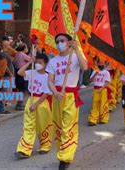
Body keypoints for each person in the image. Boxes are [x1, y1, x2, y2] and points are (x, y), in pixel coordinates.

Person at [46, 33, 88, 169]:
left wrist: (77, 49)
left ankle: (64, 158)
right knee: (58, 127)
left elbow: (85, 67)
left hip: (70, 96)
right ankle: (63, 152)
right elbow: (50, 81)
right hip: (58, 96)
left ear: (69, 42)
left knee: (68, 127)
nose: (59, 43)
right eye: (57, 41)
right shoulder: (53, 61)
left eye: (62, 41)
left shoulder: (75, 57)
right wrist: (55, 92)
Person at [15, 53, 53, 159]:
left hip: (42, 102)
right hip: (31, 100)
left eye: (40, 62)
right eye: (37, 62)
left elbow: (46, 93)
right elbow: (19, 72)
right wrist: (29, 62)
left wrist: (36, 105)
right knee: (28, 125)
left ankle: (45, 145)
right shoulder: (32, 72)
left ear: (45, 64)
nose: (38, 64)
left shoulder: (48, 77)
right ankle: (24, 149)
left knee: (43, 125)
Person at [87, 61, 111, 126]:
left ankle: (103, 118)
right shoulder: (95, 71)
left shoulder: (106, 72)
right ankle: (93, 119)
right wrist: (95, 73)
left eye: (102, 63)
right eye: (99, 63)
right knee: (95, 104)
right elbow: (90, 80)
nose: (100, 64)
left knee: (103, 104)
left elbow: (107, 82)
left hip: (103, 89)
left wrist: (102, 88)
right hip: (96, 89)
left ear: (104, 64)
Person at [14, 44, 31, 111]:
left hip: (17, 71)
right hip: (22, 72)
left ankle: (19, 103)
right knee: (23, 89)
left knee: (20, 89)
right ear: (24, 48)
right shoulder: (23, 55)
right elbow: (31, 60)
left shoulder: (17, 54)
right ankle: (19, 104)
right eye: (26, 47)